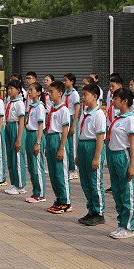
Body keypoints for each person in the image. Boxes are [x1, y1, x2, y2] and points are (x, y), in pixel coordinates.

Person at [107, 88, 134, 239]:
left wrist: (132, 166)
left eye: (115, 98)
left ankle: (129, 226)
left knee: (127, 192)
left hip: (123, 156)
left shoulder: (130, 119)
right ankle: (121, 223)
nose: (112, 101)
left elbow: (133, 145)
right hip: (113, 155)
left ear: (125, 101)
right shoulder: (118, 117)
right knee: (117, 191)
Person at [76, 84, 107, 226]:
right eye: (82, 95)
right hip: (83, 146)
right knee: (85, 181)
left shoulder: (98, 114)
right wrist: (77, 153)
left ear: (94, 96)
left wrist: (96, 157)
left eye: (85, 95)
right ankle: (91, 210)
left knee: (95, 181)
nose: (82, 98)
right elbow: (80, 133)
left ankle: (99, 212)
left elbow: (100, 137)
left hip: (92, 146)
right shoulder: (85, 112)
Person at [44, 81, 72, 214]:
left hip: (58, 139)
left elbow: (65, 130)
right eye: (49, 92)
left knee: (61, 172)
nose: (49, 94)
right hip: (50, 139)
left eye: (51, 92)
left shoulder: (64, 110)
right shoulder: (52, 109)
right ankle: (59, 198)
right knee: (53, 173)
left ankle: (66, 202)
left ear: (60, 93)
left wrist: (61, 148)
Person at [24, 83, 47, 203]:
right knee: (32, 166)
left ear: (39, 93)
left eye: (32, 90)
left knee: (37, 166)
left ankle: (41, 194)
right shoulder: (32, 106)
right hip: (29, 134)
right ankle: (35, 192)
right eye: (29, 89)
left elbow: (41, 125)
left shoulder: (40, 107)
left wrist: (38, 142)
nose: (29, 92)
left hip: (35, 135)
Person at [3, 80, 27, 195]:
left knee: (18, 157)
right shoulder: (9, 102)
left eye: (12, 88)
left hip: (16, 128)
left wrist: (19, 139)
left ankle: (21, 185)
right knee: (11, 157)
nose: (9, 90)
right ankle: (14, 183)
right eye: (8, 88)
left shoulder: (19, 103)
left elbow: (21, 121)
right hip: (9, 127)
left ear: (18, 90)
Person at [63, 73, 81, 181]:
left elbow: (76, 110)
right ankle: (69, 167)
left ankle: (74, 170)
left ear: (72, 81)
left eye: (66, 80)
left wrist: (73, 125)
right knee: (66, 144)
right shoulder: (64, 93)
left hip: (71, 119)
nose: (64, 82)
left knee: (72, 146)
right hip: (65, 118)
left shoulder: (75, 94)